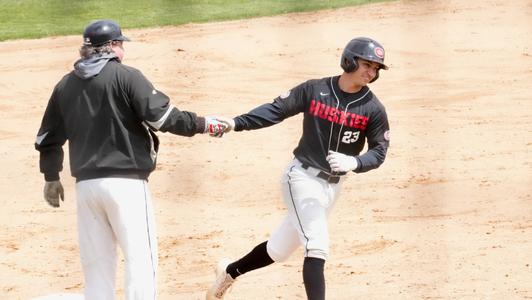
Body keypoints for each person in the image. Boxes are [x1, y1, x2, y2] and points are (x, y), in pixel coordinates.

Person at [35, 19, 227, 300]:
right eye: (120, 43)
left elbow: (47, 138)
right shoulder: (126, 76)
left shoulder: (65, 85)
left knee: (97, 267)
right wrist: (204, 124)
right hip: (126, 186)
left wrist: (51, 177)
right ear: (111, 47)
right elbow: (164, 118)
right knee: (141, 259)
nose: (123, 49)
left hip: (87, 189)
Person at [206, 37, 391, 300]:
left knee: (278, 250)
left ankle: (229, 271)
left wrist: (356, 162)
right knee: (317, 246)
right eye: (367, 64)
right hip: (301, 178)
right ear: (349, 61)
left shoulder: (373, 108)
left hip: (333, 188)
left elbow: (379, 151)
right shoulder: (315, 90)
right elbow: (276, 110)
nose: (371, 72)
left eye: (376, 69)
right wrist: (236, 123)